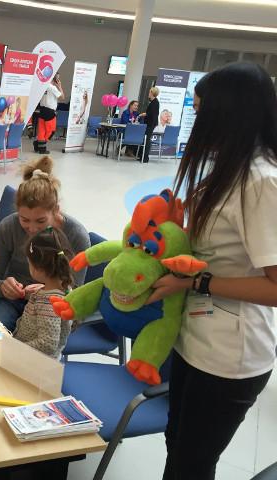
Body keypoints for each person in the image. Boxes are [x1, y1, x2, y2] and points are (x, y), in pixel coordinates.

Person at [142, 63, 277, 480]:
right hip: (195, 336)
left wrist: (198, 281)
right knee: (177, 445)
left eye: (201, 112)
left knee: (191, 464)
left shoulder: (261, 182)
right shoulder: (229, 168)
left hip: (228, 354)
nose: (195, 122)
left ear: (227, 115)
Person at [0, 156, 90, 331]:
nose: (32, 229)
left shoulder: (76, 236)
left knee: (34, 342)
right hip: (13, 302)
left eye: (41, 221)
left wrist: (49, 291)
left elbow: (76, 296)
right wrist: (3, 287)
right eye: (24, 220)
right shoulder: (9, 227)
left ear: (56, 210)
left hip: (53, 308)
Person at [13, 227, 74, 358]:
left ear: (38, 268)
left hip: (34, 360)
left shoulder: (49, 303)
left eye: (29, 263)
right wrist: (35, 294)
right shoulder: (64, 288)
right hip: (34, 356)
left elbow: (48, 344)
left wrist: (15, 349)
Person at [33, 74, 63, 154]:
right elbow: (62, 97)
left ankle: (41, 148)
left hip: (42, 110)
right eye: (57, 78)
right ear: (54, 78)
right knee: (51, 131)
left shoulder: (43, 86)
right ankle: (38, 144)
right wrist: (59, 86)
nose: (58, 79)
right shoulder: (52, 88)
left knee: (41, 130)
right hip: (50, 112)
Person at [138, 86, 160, 163]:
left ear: (152, 93)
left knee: (147, 140)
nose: (148, 93)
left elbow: (151, 114)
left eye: (149, 92)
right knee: (146, 140)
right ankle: (142, 156)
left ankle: (145, 158)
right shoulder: (154, 102)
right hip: (150, 123)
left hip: (150, 124)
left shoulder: (155, 102)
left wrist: (143, 114)